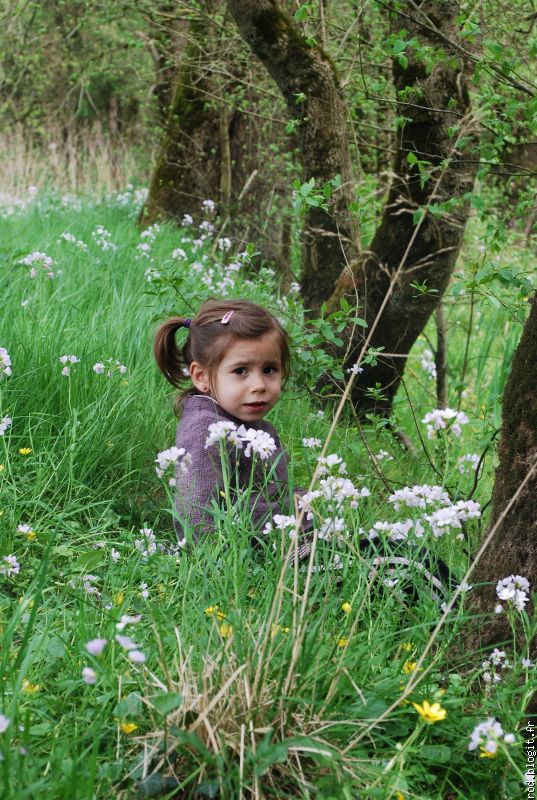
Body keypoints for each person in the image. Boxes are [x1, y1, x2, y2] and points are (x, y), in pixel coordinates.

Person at [154, 298, 310, 551]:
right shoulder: (204, 430)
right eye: (240, 371)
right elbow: (195, 511)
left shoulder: (251, 423)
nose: (259, 385)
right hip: (242, 555)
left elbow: (272, 491)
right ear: (202, 376)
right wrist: (216, 558)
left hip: (275, 543)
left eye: (269, 369)